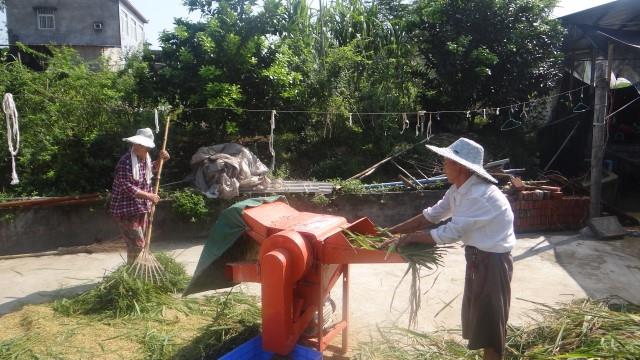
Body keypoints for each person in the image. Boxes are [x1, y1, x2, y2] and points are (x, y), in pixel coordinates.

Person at [387, 137, 515, 360]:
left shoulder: (480, 195)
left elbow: (449, 232)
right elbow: (431, 216)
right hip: (477, 259)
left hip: (493, 262)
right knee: (481, 321)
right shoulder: (458, 190)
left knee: (491, 325)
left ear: (461, 166)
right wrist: (390, 231)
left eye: (446, 161)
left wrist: (408, 239)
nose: (443, 165)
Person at [109, 128, 170, 264]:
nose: (136, 147)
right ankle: (135, 270)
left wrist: (161, 160)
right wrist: (149, 196)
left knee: (139, 243)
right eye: (136, 144)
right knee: (137, 243)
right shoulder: (125, 162)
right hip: (126, 211)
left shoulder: (145, 160)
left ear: (147, 148)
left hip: (140, 209)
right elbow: (126, 186)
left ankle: (134, 270)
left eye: (141, 145)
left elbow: (151, 170)